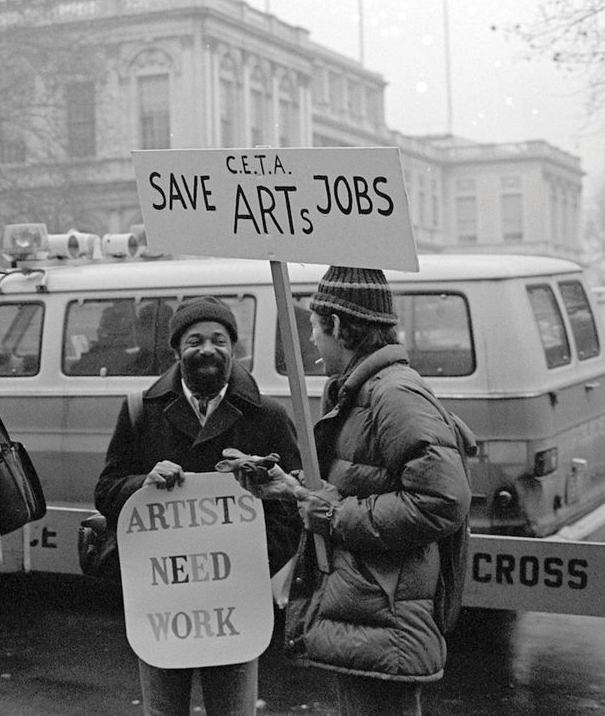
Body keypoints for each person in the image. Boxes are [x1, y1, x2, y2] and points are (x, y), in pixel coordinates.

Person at [235, 267, 471, 716]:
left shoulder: (393, 395)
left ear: (339, 326)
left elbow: (442, 501)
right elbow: (363, 484)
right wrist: (289, 489)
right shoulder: (365, 391)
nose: (313, 344)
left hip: (384, 621)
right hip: (369, 616)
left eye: (314, 328)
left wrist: (329, 514)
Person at [94, 296, 303, 716]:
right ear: (177, 350)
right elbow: (107, 490)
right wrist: (142, 485)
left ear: (233, 347)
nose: (207, 349)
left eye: (219, 340)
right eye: (194, 340)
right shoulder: (140, 410)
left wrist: (246, 564)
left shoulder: (269, 416)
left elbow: (291, 509)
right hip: (163, 603)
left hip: (235, 602)